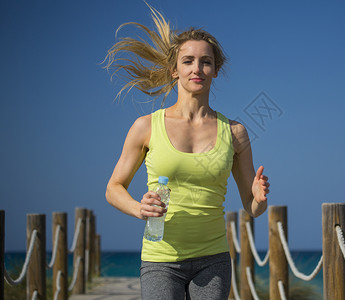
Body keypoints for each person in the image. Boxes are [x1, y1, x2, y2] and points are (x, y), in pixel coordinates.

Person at [104, 5, 270, 300]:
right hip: (160, 259)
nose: (197, 68)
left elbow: (251, 206)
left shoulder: (235, 132)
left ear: (216, 70)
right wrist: (138, 208)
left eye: (206, 62)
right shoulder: (146, 127)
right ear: (175, 69)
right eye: (188, 61)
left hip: (213, 260)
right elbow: (113, 188)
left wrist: (258, 198)